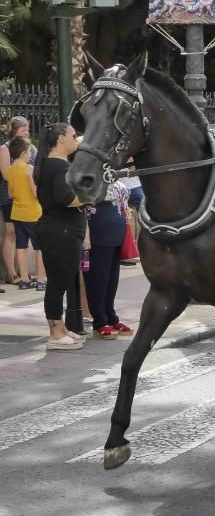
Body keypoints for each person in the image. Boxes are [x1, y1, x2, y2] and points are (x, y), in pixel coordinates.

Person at [33, 123, 87, 351]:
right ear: (60, 139)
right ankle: (55, 332)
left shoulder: (50, 163)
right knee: (58, 283)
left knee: (61, 281)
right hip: (60, 232)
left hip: (59, 230)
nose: (77, 139)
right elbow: (67, 198)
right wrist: (91, 195)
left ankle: (61, 328)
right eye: (73, 135)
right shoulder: (59, 166)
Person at [83, 180, 132, 339]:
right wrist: (85, 234)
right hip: (98, 234)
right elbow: (83, 207)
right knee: (98, 279)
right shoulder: (88, 177)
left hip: (116, 233)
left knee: (112, 279)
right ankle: (100, 320)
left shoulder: (112, 175)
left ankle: (111, 316)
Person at [7, 137, 46, 291]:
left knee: (21, 246)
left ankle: (24, 279)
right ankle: (41, 279)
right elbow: (35, 193)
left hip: (17, 213)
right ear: (24, 153)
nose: (31, 154)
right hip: (33, 213)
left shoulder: (10, 169)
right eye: (30, 151)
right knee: (40, 247)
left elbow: (10, 194)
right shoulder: (28, 168)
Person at [1, 116, 35, 285]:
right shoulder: (5, 149)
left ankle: (23, 273)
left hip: (28, 197)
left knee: (23, 236)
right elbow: (7, 175)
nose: (26, 132)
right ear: (13, 130)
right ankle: (11, 273)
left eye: (27, 129)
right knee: (11, 232)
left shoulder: (31, 148)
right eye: (23, 129)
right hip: (10, 196)